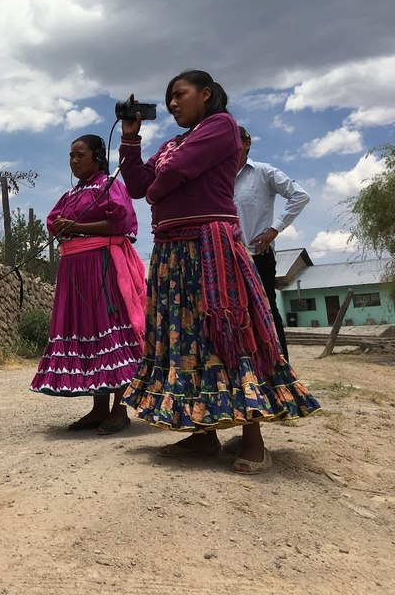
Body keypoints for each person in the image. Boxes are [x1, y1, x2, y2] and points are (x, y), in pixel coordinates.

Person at [117, 70, 320, 474]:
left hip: (211, 247)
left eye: (180, 95)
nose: (172, 104)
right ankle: (202, 432)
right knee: (184, 341)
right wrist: (130, 138)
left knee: (228, 330)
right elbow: (138, 185)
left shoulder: (221, 126)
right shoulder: (172, 143)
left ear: (206, 94)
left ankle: (253, 438)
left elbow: (171, 177)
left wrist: (158, 190)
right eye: (168, 98)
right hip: (172, 250)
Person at [30, 134, 146, 435]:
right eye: (71, 156)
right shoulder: (72, 194)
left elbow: (121, 224)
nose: (74, 161)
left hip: (102, 268)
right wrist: (65, 227)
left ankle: (120, 411)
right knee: (88, 332)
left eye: (80, 155)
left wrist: (78, 227)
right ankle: (98, 409)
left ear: (97, 156)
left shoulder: (110, 186)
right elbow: (54, 220)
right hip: (74, 271)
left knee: (109, 330)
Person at [234, 126, 310, 360]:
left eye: (235, 141)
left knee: (266, 308)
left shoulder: (263, 172)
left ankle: (280, 363)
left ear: (247, 143)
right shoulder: (219, 178)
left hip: (259, 254)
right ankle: (247, 365)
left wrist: (274, 230)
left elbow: (300, 195)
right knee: (236, 311)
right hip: (230, 256)